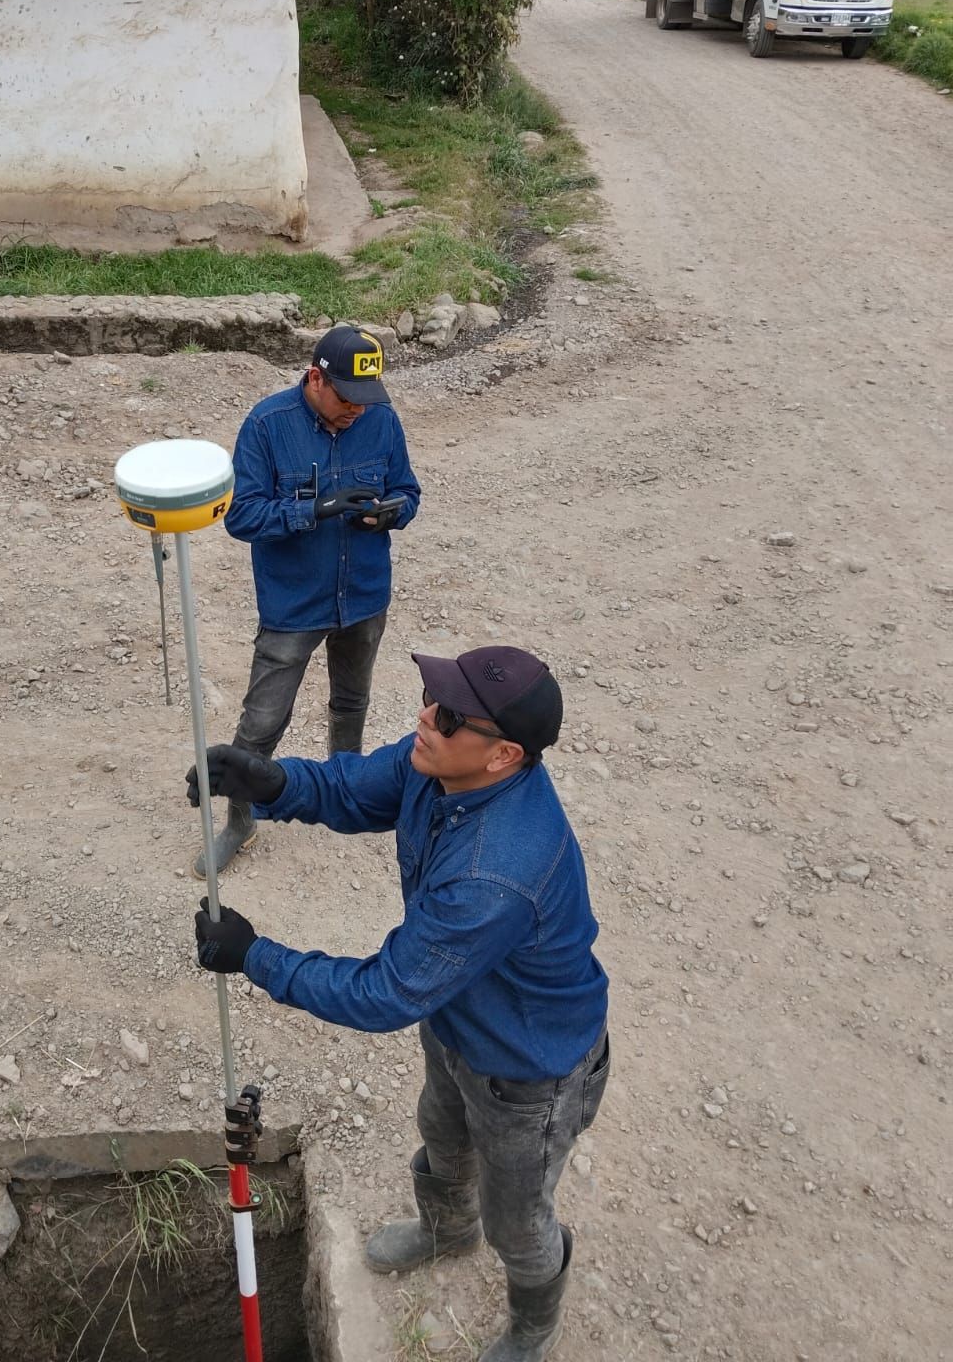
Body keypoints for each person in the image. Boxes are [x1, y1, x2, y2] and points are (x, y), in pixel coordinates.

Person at [189, 647, 610, 1360]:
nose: (425, 716)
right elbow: (357, 788)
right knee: (442, 1136)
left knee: (518, 1222)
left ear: (504, 754)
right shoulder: (442, 767)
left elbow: (385, 992)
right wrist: (275, 783)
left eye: (449, 716)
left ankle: (535, 1325)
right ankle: (447, 1230)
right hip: (458, 1019)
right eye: (431, 697)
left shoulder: (494, 871)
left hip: (529, 1071)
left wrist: (256, 956)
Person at [198, 324, 420, 878]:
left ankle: (347, 792)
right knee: (261, 723)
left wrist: (391, 513)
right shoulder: (267, 425)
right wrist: (315, 510)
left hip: (364, 596)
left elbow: (409, 491)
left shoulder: (380, 419)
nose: (357, 410)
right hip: (293, 605)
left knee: (352, 701)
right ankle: (240, 821)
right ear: (315, 379)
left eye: (366, 398)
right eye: (347, 398)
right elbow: (241, 517)